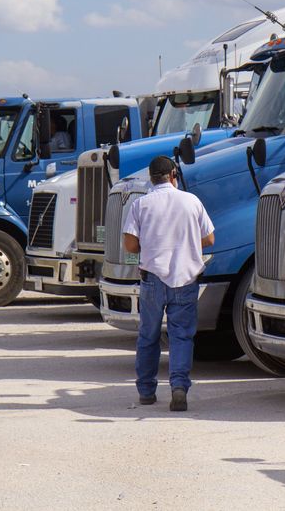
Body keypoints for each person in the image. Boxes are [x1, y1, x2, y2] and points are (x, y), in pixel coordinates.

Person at [122, 155, 215, 411]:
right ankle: (178, 387)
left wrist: (152, 244)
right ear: (173, 174)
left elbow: (130, 245)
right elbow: (209, 238)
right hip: (185, 279)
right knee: (181, 336)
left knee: (148, 336)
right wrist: (184, 242)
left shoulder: (141, 204)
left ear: (151, 177)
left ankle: (146, 391)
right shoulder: (191, 201)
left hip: (153, 279)